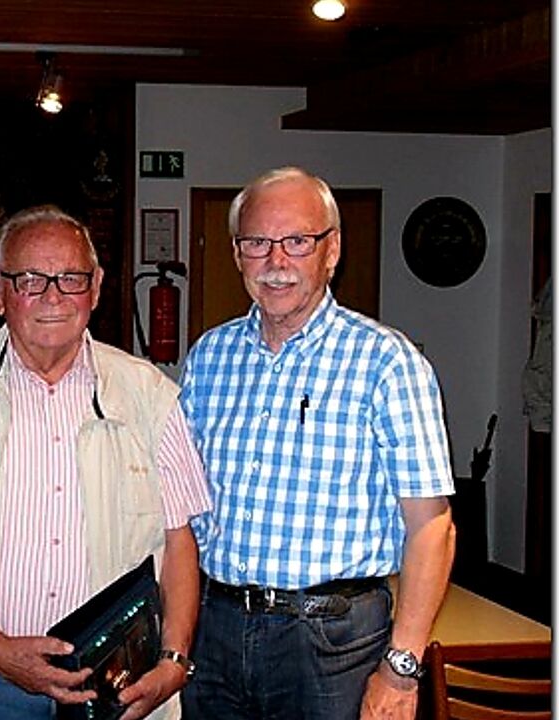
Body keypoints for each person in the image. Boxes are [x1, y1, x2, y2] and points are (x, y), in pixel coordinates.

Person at [0, 205, 211, 720]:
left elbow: (179, 540)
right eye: (30, 280)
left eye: (71, 278)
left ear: (96, 287)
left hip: (116, 684)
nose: (53, 296)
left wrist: (175, 661)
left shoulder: (150, 395)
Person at [178, 167, 457, 720]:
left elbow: (433, 527)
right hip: (217, 629)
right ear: (237, 254)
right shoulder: (210, 356)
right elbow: (181, 507)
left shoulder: (387, 362)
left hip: (333, 644)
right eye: (256, 242)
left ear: (331, 251)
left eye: (297, 242)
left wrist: (401, 669)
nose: (275, 262)